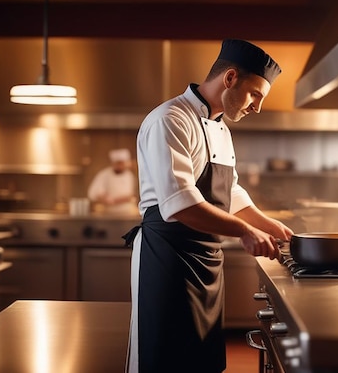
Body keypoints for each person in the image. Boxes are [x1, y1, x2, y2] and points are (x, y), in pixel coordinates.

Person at [123, 39, 293, 373]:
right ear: (230, 78)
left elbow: (229, 192)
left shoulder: (222, 129)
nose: (256, 107)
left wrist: (268, 225)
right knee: (163, 358)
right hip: (167, 258)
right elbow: (180, 204)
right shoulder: (170, 119)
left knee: (201, 361)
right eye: (255, 95)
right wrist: (245, 231)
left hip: (207, 259)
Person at [87, 148, 137, 215]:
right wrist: (103, 198)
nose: (120, 166)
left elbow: (132, 196)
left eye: (122, 163)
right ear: (113, 163)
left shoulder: (130, 175)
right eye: (118, 163)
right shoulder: (104, 174)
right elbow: (93, 193)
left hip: (128, 212)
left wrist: (124, 199)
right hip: (109, 213)